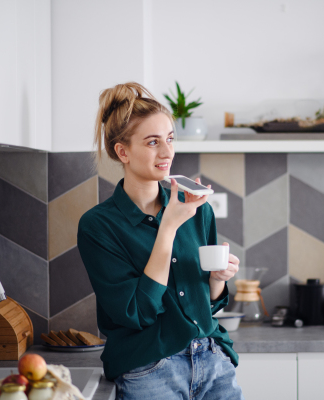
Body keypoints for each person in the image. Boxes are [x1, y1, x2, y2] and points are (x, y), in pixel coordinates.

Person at [77, 82, 244, 400]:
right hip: (150, 370)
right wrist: (167, 228)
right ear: (122, 151)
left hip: (212, 361)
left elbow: (208, 304)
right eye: (153, 142)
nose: (167, 152)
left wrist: (218, 280)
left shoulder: (196, 208)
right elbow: (136, 313)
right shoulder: (99, 226)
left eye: (169, 139)